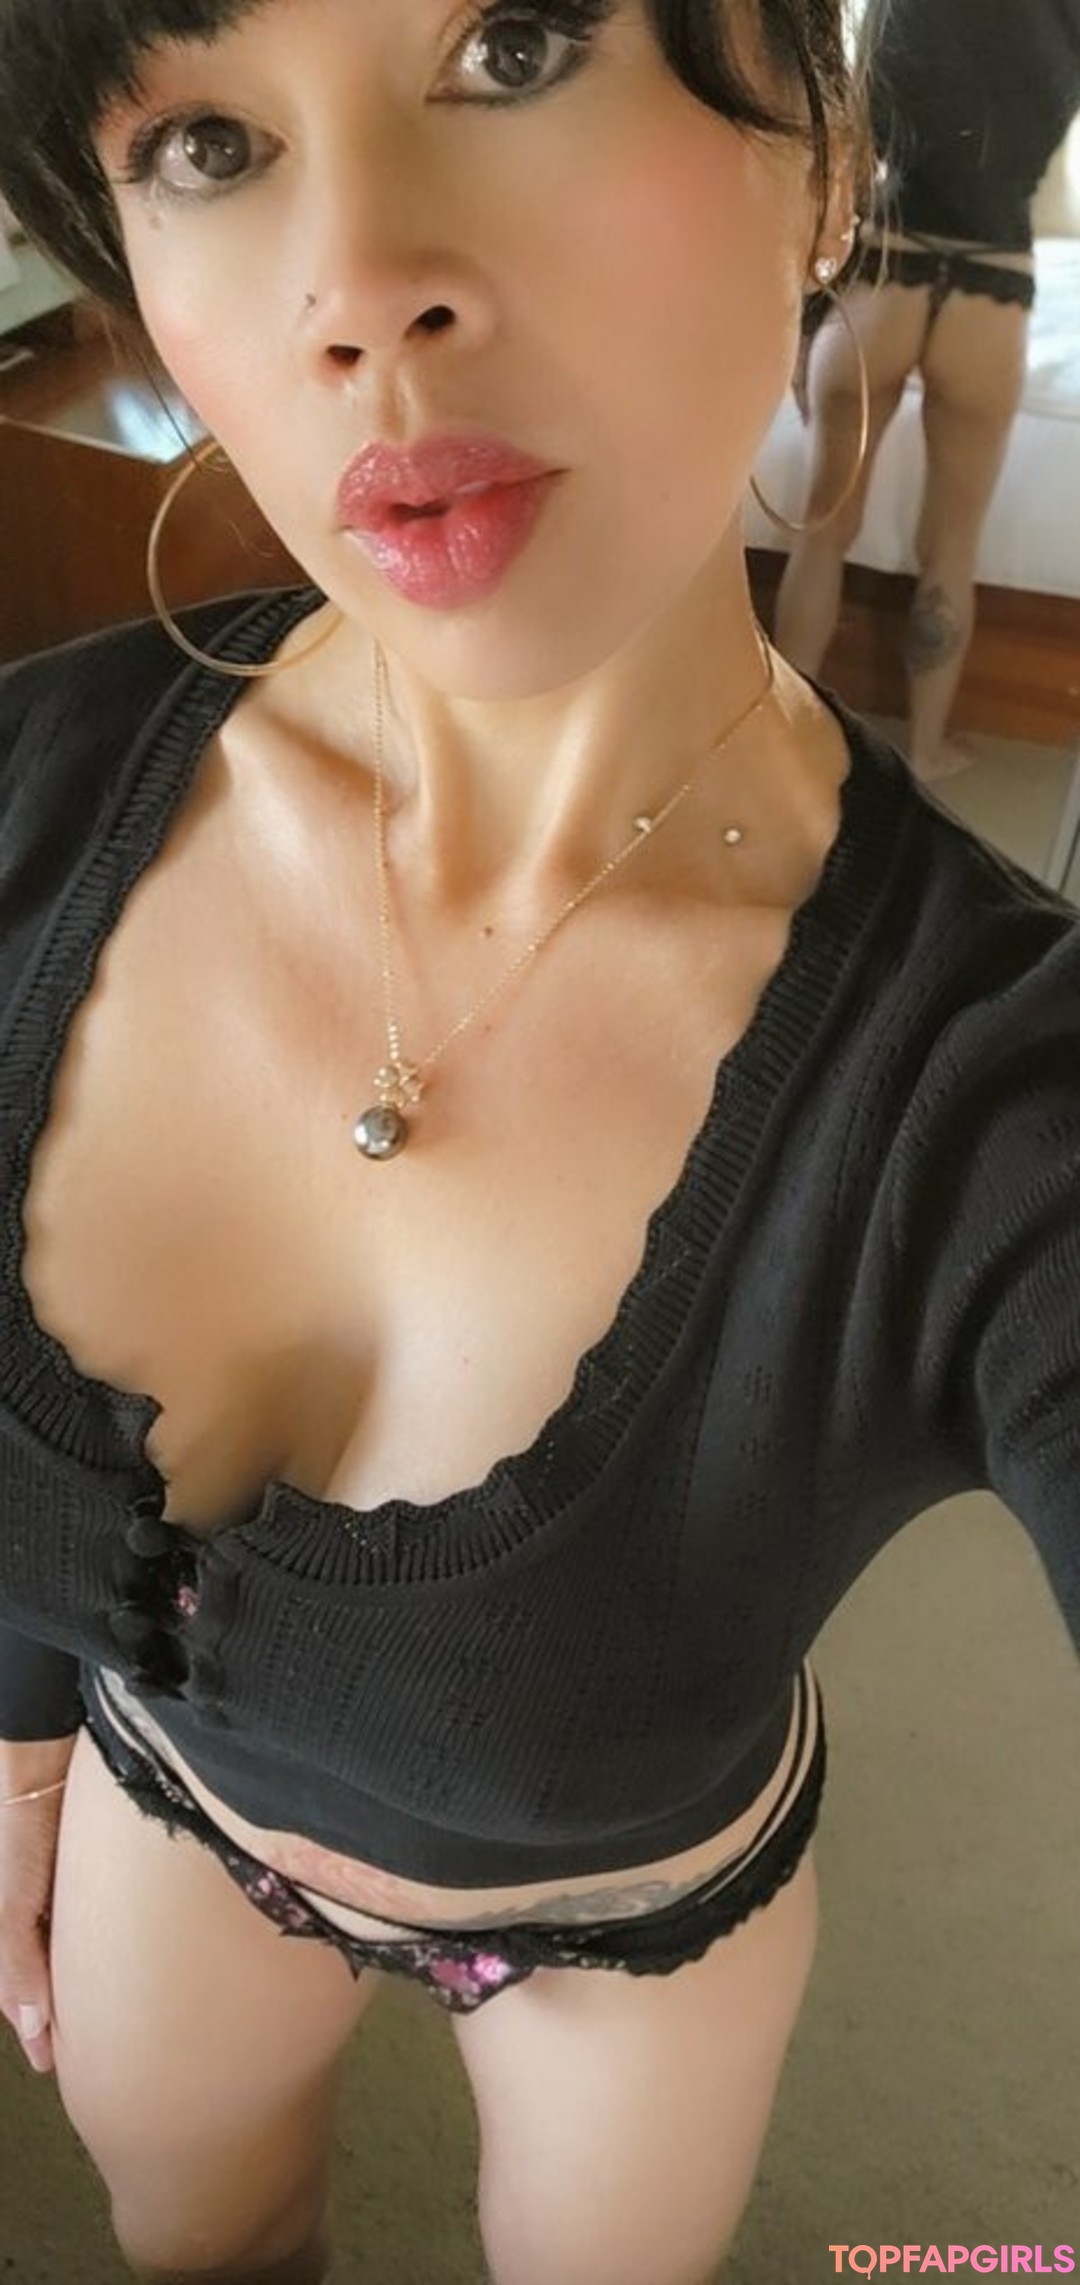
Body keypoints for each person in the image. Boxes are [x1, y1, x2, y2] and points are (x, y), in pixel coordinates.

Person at [0, 5, 1076, 2283]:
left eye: (512, 42)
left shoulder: (997, 1086)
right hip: (166, 1815)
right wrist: (16, 1749)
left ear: (820, 146)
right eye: (208, 143)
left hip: (629, 1939)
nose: (360, 290)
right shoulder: (22, 799)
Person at [772, 0, 1080, 779]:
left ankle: (781, 746)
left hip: (887, 267)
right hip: (991, 287)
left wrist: (807, 327)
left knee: (821, 533)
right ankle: (927, 749)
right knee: (952, 549)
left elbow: (847, 157)